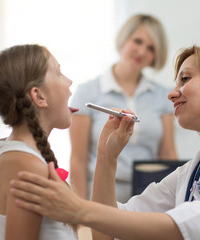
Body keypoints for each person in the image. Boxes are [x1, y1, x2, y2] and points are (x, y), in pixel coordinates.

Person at [10, 43, 200, 239]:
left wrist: (75, 209)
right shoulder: (195, 170)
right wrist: (106, 157)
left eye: (185, 79)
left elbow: (189, 228)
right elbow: (108, 230)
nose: (171, 93)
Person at [69, 14, 177, 202]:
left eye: (151, 48)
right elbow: (78, 158)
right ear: (124, 39)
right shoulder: (87, 92)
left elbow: (168, 154)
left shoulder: (163, 95)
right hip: (102, 192)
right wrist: (79, 209)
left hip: (150, 195)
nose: (142, 52)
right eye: (137, 41)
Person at [0, 44, 78, 239]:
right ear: (39, 96)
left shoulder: (12, 152)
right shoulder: (27, 166)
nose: (69, 82)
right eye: (59, 73)